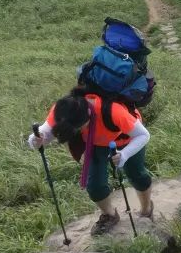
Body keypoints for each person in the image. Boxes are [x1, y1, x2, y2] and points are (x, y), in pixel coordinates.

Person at [28, 89, 154, 235]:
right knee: (95, 187)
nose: (77, 132)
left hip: (127, 139)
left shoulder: (114, 111)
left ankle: (146, 210)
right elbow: (45, 133)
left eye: (79, 129)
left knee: (137, 175)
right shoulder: (63, 109)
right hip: (95, 142)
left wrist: (124, 154)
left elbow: (143, 135)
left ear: (89, 116)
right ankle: (110, 215)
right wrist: (35, 140)